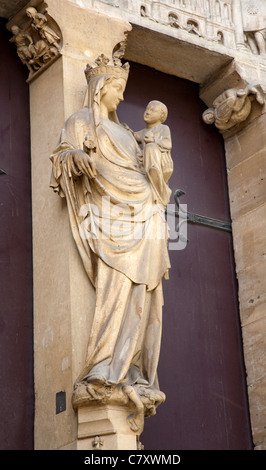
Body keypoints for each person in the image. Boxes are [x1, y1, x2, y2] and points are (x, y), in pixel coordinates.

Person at [50, 55, 171, 429]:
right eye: (117, 89)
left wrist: (158, 155)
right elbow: (62, 156)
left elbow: (151, 171)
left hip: (145, 213)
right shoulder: (81, 122)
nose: (121, 97)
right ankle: (105, 366)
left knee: (145, 296)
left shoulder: (130, 135)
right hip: (110, 219)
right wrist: (74, 158)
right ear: (100, 88)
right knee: (116, 288)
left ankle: (132, 368)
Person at [134, 100, 173, 207]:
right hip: (147, 163)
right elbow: (132, 135)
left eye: (152, 110)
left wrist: (154, 140)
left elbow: (167, 143)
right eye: (147, 109)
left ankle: (155, 172)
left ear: (162, 115)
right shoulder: (143, 132)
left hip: (162, 163)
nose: (147, 112)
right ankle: (151, 173)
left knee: (150, 147)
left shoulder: (163, 128)